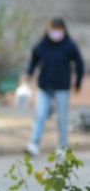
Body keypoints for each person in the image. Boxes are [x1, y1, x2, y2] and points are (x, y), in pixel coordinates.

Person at [23, 17, 84, 156]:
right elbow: (33, 61)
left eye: (58, 30)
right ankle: (33, 145)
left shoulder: (69, 45)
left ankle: (62, 147)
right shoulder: (42, 45)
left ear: (63, 30)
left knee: (62, 118)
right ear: (48, 29)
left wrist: (78, 82)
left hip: (62, 88)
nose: (56, 33)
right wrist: (29, 73)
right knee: (40, 115)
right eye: (53, 29)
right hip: (44, 87)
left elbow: (79, 63)